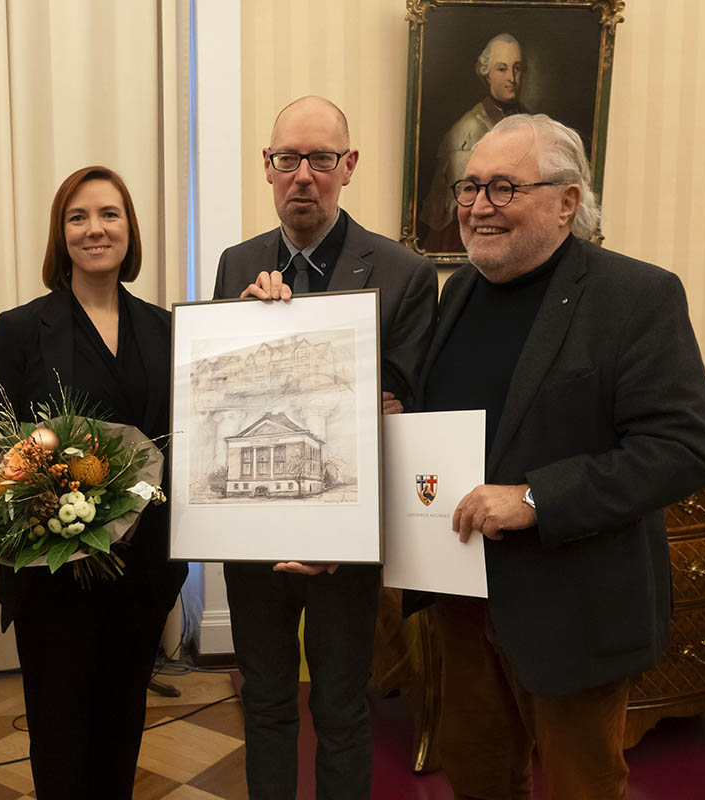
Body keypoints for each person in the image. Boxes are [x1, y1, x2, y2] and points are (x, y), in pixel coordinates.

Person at [419, 113, 705, 798]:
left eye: (503, 188)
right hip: (464, 599)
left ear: (567, 201)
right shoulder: (459, 290)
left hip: (575, 607)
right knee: (478, 777)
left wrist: (534, 499)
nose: (477, 208)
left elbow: (682, 448)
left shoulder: (636, 296)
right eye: (469, 188)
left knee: (583, 786)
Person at [213, 95, 437, 800]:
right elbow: (220, 394)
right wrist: (247, 340)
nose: (302, 175)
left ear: (348, 166)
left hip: (345, 541)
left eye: (320, 159)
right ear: (267, 168)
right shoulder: (235, 264)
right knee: (267, 704)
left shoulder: (404, 273)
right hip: (251, 538)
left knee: (342, 709)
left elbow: (400, 405)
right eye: (287, 159)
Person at [0, 165, 188, 799]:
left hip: (143, 566)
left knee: (124, 721)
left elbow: (187, 438)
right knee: (59, 726)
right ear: (59, 234)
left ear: (130, 230)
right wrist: (56, 498)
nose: (94, 229)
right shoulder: (20, 329)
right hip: (52, 568)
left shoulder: (168, 328)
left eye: (109, 214)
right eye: (78, 217)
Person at [419, 33, 527, 252]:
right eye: (502, 69)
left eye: (517, 68)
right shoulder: (468, 129)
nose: (512, 78)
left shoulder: (527, 122)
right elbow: (461, 209)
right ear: (486, 74)